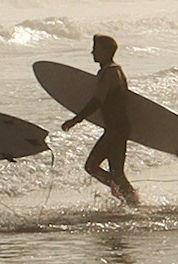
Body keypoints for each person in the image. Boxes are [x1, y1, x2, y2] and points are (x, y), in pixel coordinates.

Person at [57, 31, 141, 208]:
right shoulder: (116, 70)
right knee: (116, 172)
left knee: (92, 166)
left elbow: (97, 101)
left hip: (115, 130)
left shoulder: (108, 72)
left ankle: (129, 197)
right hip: (119, 128)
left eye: (95, 49)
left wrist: (75, 120)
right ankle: (131, 199)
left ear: (105, 51)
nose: (92, 53)